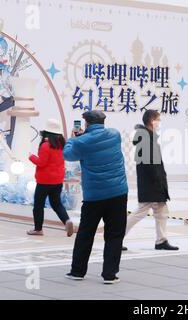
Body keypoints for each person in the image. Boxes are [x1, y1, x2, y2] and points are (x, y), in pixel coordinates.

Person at [63, 110, 128, 285]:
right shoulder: (115, 135)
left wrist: (73, 138)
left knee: (86, 233)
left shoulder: (81, 142)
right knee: (115, 235)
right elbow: (98, 142)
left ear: (86, 124)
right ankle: (110, 274)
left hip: (94, 196)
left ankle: (77, 271)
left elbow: (68, 154)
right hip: (118, 192)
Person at [123, 110, 178, 251]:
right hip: (152, 183)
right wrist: (158, 182)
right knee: (141, 211)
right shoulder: (146, 138)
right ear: (151, 120)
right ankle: (116, 237)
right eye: (158, 119)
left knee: (161, 211)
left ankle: (161, 240)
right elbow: (149, 165)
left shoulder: (148, 137)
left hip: (153, 183)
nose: (159, 122)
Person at [27, 119, 73, 237]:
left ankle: (38, 229)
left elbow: (41, 162)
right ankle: (66, 220)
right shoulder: (62, 144)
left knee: (38, 205)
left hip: (44, 181)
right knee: (57, 203)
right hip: (57, 180)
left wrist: (31, 157)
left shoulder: (45, 146)